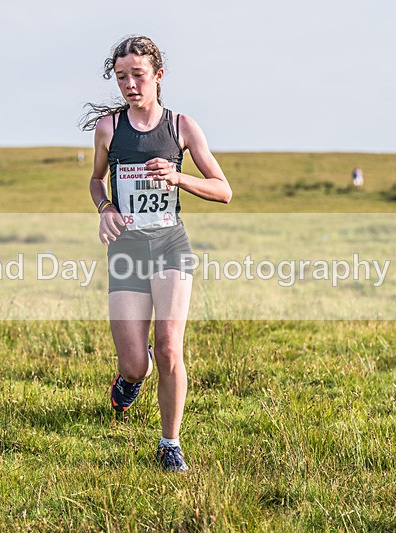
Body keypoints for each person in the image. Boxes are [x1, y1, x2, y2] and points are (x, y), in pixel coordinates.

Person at [81, 36, 232, 472]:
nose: (129, 84)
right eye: (121, 76)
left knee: (169, 348)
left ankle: (170, 444)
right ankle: (132, 375)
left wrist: (179, 178)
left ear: (158, 76)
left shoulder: (182, 126)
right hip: (126, 250)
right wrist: (105, 207)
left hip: (170, 245)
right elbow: (95, 180)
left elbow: (223, 190)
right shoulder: (109, 128)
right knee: (134, 363)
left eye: (138, 76)